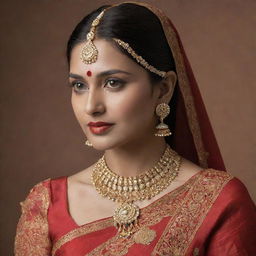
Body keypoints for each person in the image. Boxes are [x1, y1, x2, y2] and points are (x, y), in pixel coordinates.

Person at [14, 2, 256, 255]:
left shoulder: (219, 201)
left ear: (164, 89)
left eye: (113, 82)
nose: (91, 106)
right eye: (79, 85)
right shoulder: (46, 204)